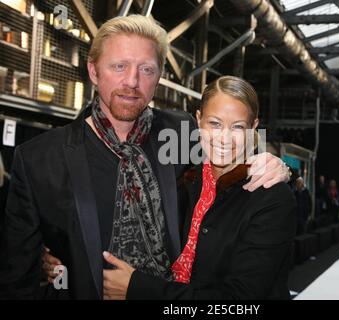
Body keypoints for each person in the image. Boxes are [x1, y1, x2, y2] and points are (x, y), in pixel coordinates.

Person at [0, 15, 288, 299]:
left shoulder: (181, 133)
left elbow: (229, 155)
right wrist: (47, 257)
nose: (132, 81)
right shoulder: (39, 158)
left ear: (159, 76)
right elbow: (17, 274)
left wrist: (272, 164)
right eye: (119, 66)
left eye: (146, 69)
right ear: (93, 70)